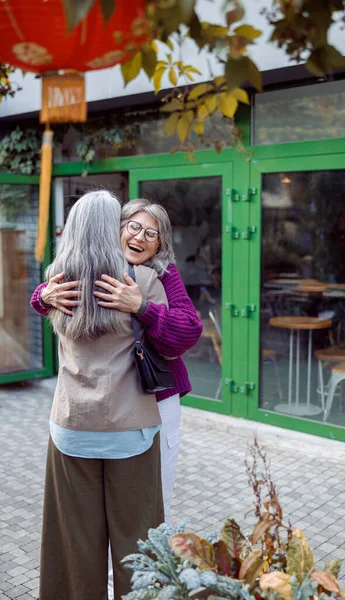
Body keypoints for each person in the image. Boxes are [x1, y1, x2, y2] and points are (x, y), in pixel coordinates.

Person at [31, 199, 203, 522]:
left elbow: (189, 331)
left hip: (156, 398)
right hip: (105, 414)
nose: (140, 238)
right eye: (134, 227)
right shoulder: (94, 267)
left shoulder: (162, 275)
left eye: (152, 234)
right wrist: (42, 296)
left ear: (160, 244)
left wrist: (143, 308)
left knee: (153, 502)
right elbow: (50, 291)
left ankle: (146, 571)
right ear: (117, 229)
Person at [38, 190, 167, 600]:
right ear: (112, 228)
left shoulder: (55, 280)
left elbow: (43, 303)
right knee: (139, 546)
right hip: (131, 431)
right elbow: (173, 342)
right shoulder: (141, 279)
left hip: (71, 427)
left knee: (74, 546)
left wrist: (42, 295)